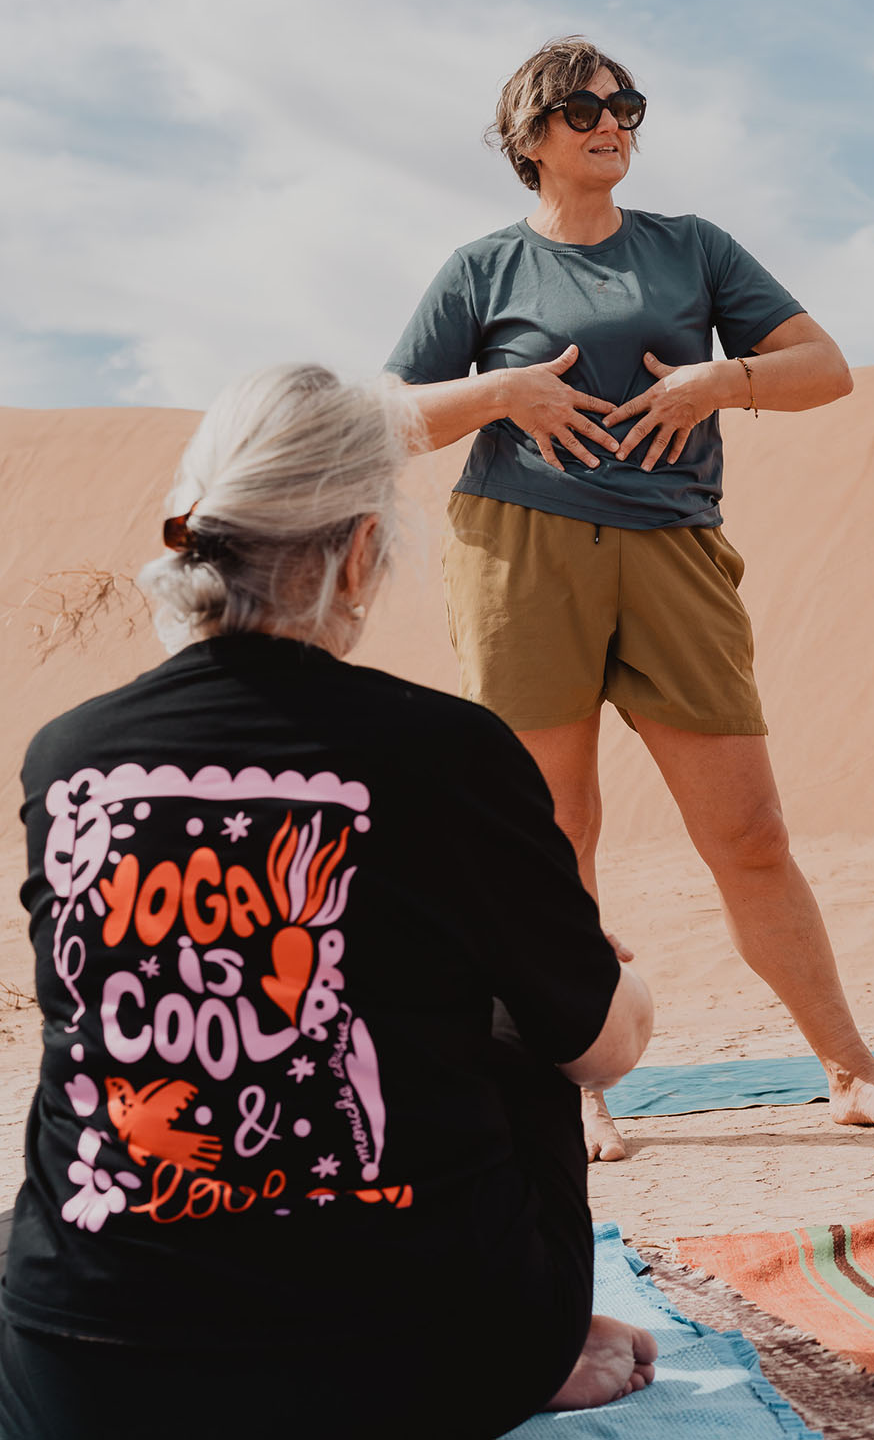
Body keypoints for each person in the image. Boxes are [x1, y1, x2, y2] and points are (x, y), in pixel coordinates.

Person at [0, 363, 656, 1440]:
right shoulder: (450, 752)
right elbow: (600, 1050)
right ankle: (527, 1336)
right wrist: (609, 974)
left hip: (83, 1378)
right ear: (359, 550)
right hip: (417, 1368)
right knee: (525, 1011)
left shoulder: (66, 756)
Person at [385, 35, 874, 1163]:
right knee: (556, 836)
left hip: (676, 553)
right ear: (530, 136)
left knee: (749, 829)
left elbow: (826, 367)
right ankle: (579, 1089)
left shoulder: (693, 250)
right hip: (522, 551)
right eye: (585, 107)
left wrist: (722, 377)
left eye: (628, 105)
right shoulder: (481, 270)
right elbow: (392, 415)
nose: (614, 122)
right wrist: (500, 389)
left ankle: (851, 1069)